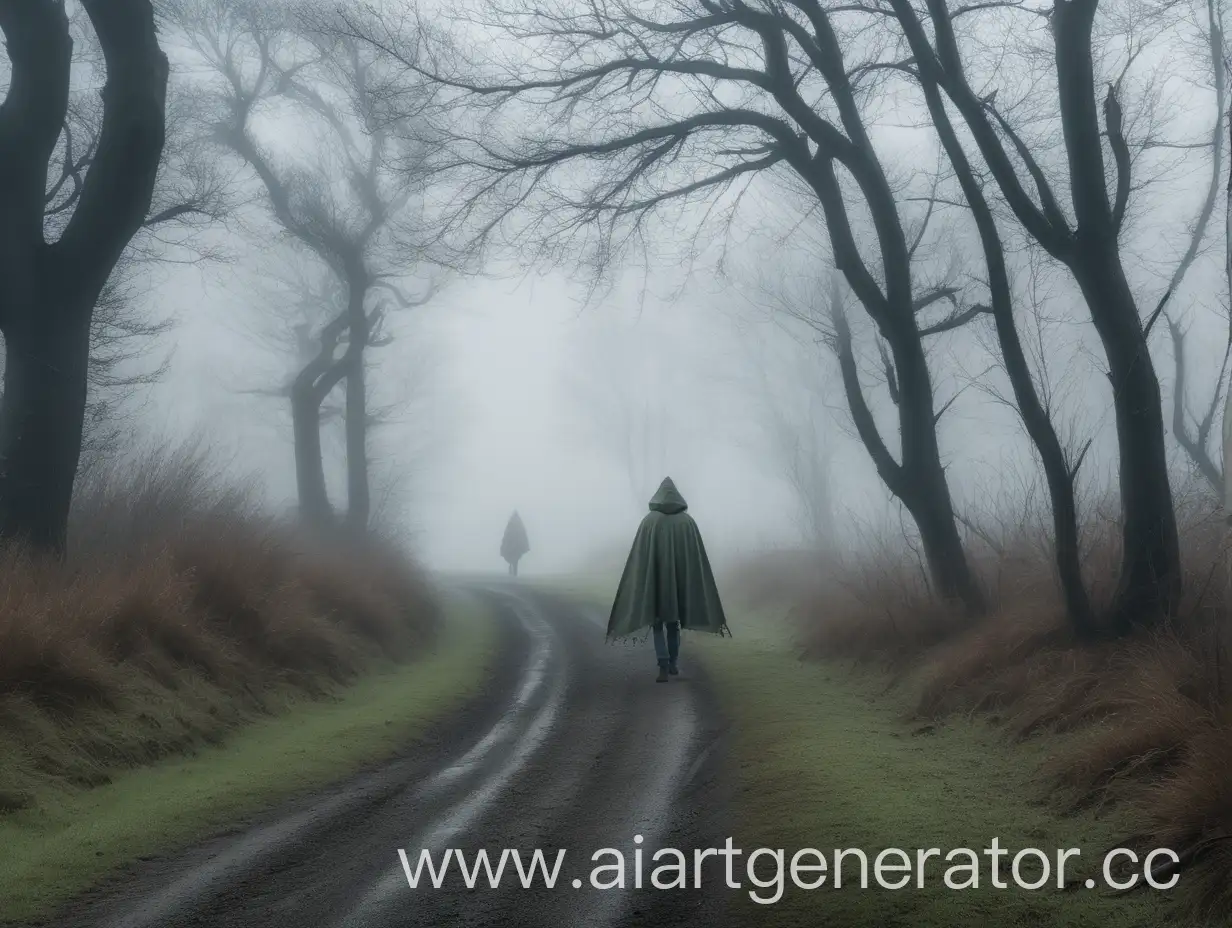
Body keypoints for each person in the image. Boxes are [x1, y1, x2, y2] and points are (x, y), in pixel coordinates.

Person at [606, 477, 731, 682]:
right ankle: (672, 663)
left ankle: (663, 664)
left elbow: (640, 559)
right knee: (673, 624)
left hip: (654, 584)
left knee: (657, 624)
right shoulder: (687, 523)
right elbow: (695, 560)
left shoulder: (649, 522)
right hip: (679, 585)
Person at [501, 510, 529, 577]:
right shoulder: (519, 524)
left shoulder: (510, 523)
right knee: (515, 559)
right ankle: (514, 570)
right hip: (516, 546)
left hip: (512, 546)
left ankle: (512, 568)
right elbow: (523, 535)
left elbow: (506, 535)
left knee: (513, 558)